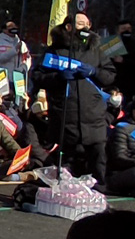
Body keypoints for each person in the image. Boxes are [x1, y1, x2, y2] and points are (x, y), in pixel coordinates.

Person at [30, 13, 117, 189]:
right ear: (69, 27)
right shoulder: (54, 51)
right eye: (80, 24)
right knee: (66, 163)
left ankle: (99, 189)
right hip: (65, 115)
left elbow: (109, 76)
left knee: (98, 156)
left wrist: (94, 72)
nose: (85, 28)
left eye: (87, 24)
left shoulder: (96, 50)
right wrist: (58, 77)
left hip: (93, 116)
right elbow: (37, 76)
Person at [113, 20, 135, 104]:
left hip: (130, 84)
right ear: (118, 30)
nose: (126, 31)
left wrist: (124, 61)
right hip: (113, 83)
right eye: (123, 28)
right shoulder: (112, 44)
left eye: (129, 28)